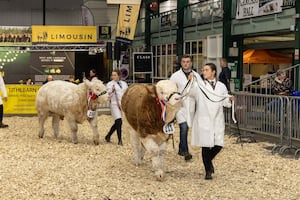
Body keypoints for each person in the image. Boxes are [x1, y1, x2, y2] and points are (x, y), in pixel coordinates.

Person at [190, 63, 233, 180]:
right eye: (203, 70)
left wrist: (229, 99)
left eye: (206, 70)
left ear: (213, 72)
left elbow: (224, 102)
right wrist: (191, 81)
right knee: (205, 145)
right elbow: (191, 92)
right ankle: (208, 171)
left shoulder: (221, 86)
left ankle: (208, 161)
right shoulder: (199, 85)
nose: (204, 72)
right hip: (203, 118)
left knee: (218, 145)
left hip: (217, 119)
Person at [170, 55, 201, 161]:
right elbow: (171, 90)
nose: (186, 64)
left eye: (188, 62)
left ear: (191, 63)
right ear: (181, 63)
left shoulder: (196, 76)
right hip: (179, 106)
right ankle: (186, 152)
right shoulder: (175, 76)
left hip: (191, 105)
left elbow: (199, 91)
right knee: (183, 127)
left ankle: (180, 149)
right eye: (183, 62)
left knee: (186, 127)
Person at [105, 69, 128, 146]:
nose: (113, 76)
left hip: (122, 105)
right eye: (112, 75)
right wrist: (112, 90)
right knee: (119, 121)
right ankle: (119, 140)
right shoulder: (110, 84)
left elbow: (126, 93)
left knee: (117, 123)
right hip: (114, 104)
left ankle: (108, 136)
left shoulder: (124, 84)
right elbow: (107, 93)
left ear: (119, 75)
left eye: (115, 75)